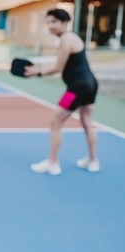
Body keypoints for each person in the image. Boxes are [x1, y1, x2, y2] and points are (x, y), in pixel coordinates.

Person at [25, 8, 99, 175]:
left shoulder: (66, 39)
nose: (50, 26)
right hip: (90, 84)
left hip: (77, 88)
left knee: (55, 123)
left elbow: (58, 68)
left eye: (54, 22)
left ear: (65, 23)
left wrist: (37, 72)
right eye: (48, 22)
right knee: (87, 122)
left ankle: (52, 163)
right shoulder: (71, 38)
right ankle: (93, 160)